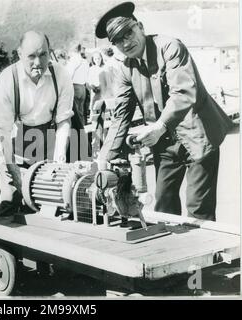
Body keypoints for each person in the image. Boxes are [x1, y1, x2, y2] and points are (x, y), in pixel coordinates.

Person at [95, 2, 233, 221]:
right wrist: (105, 157)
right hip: (165, 144)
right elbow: (121, 116)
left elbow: (183, 93)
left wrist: (159, 127)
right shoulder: (125, 69)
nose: (126, 42)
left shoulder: (170, 47)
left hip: (198, 136)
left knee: (198, 210)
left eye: (128, 33)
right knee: (163, 207)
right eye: (118, 40)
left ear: (140, 26)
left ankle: (205, 254)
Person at [0, 31, 74, 216]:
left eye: (43, 55)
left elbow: (64, 121)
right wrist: (15, 176)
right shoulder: (6, 80)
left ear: (49, 51)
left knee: (54, 206)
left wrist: (57, 164)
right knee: (9, 206)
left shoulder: (60, 76)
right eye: (31, 56)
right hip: (13, 149)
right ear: (19, 54)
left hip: (47, 149)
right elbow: (3, 133)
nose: (38, 63)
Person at [66, 44, 90, 125]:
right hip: (83, 87)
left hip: (75, 86)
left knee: (75, 113)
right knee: (81, 112)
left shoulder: (73, 60)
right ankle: (82, 130)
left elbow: (68, 75)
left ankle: (78, 133)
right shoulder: (84, 61)